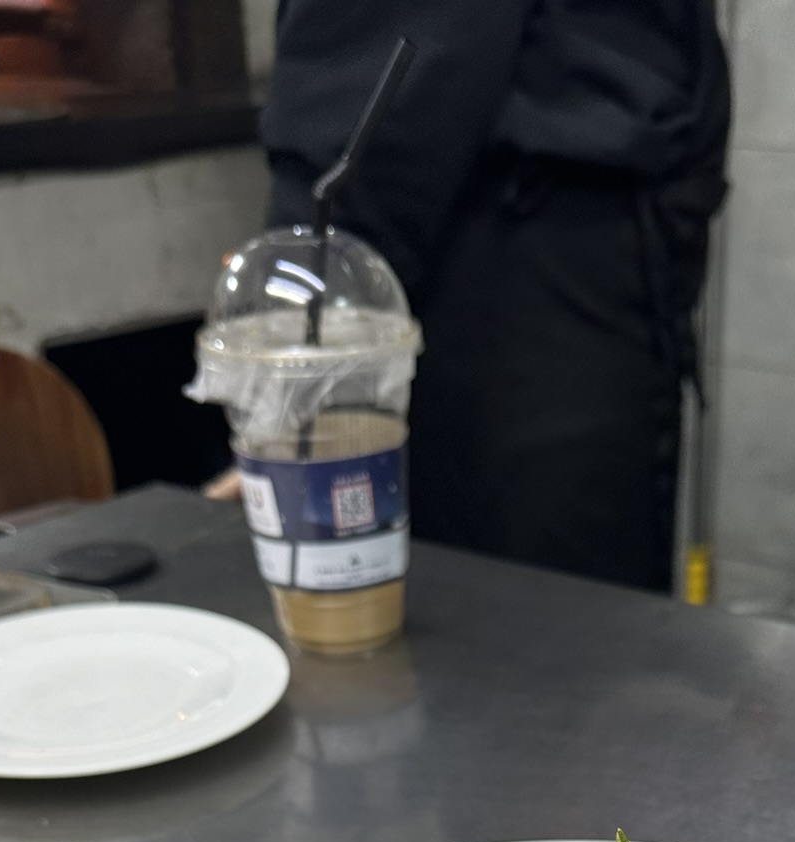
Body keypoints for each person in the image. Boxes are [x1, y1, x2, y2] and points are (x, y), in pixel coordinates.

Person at [260, 1, 730, 594]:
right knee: (562, 607)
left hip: (495, 271)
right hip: (579, 255)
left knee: (508, 608)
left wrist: (291, 383)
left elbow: (369, 123)